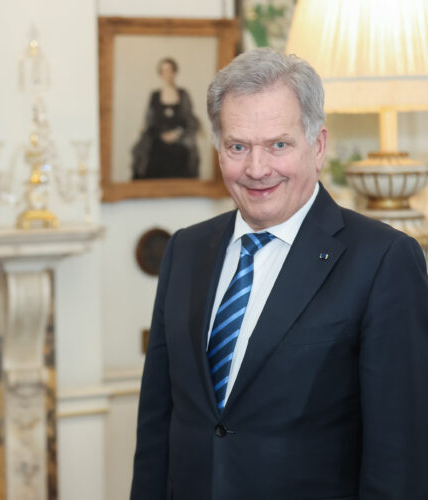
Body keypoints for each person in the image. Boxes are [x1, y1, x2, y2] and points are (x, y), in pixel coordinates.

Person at [131, 48, 428, 499]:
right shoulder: (185, 250)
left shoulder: (384, 259)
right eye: (237, 147)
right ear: (218, 148)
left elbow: (399, 457)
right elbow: (156, 427)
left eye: (279, 145)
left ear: (319, 145)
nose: (256, 169)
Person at [131, 57, 200, 179]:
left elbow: (190, 121)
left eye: (169, 70)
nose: (166, 74)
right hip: (157, 141)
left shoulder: (183, 95)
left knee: (182, 154)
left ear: (174, 72)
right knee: (152, 156)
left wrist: (177, 133)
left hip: (180, 141)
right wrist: (161, 135)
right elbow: (149, 123)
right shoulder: (154, 96)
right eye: (163, 71)